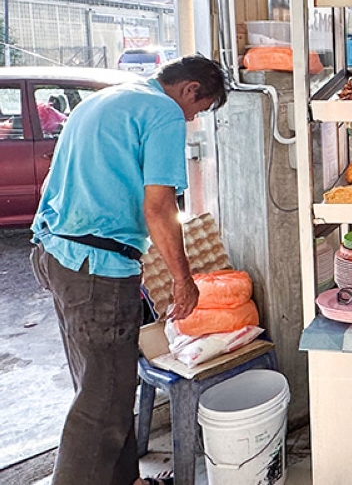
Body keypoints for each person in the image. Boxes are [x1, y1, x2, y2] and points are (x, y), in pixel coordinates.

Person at [29, 55, 228, 485]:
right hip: (98, 270)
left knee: (107, 388)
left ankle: (127, 481)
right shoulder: (164, 112)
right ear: (190, 89)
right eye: (200, 109)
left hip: (55, 253)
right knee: (101, 404)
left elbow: (53, 181)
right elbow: (158, 208)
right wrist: (183, 280)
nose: (192, 119)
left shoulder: (105, 100)